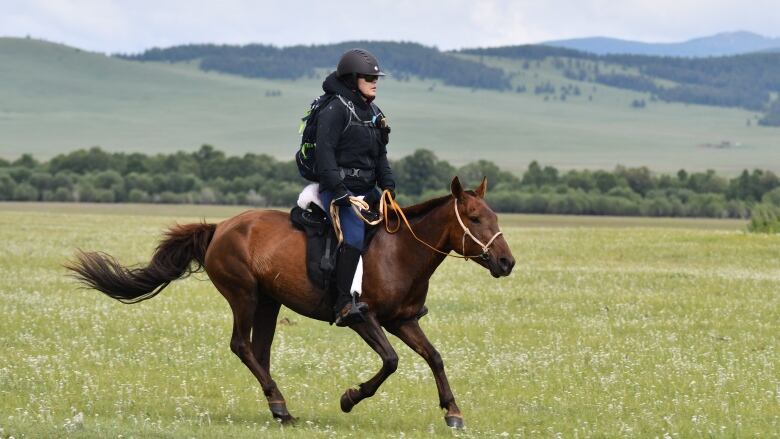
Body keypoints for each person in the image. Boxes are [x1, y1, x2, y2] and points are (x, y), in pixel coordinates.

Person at [315, 48, 396, 326]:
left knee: (396, 227)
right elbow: (324, 155)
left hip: (368, 190)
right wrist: (340, 192)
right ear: (352, 80)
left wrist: (388, 186)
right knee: (353, 237)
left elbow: (380, 156)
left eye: (376, 78)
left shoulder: (374, 112)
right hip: (338, 191)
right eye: (367, 77)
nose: (375, 82)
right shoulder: (335, 109)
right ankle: (342, 305)